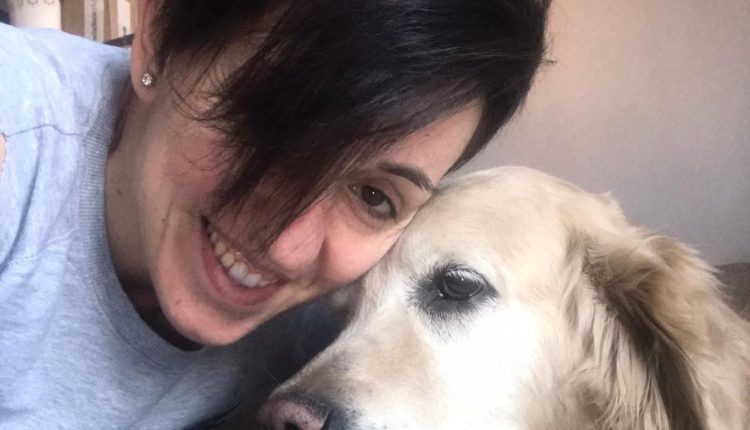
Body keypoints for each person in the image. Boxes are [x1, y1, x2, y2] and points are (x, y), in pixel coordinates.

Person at [0, 0, 549, 427]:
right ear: (162, 37)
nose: (288, 247)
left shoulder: (336, 329)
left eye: (373, 197)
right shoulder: (18, 132)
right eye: (275, 125)